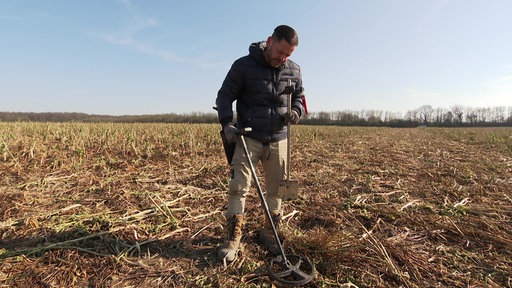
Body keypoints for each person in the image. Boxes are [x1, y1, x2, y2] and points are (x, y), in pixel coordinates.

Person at [215, 25, 306, 262]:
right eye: (280, 52)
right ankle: (232, 239)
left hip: (279, 138)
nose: (282, 58)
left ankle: (270, 233)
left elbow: (300, 97)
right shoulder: (243, 66)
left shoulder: (294, 70)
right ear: (269, 41)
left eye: (288, 55)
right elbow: (224, 95)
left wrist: (295, 111)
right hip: (248, 138)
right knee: (238, 188)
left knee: (276, 190)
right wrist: (227, 123)